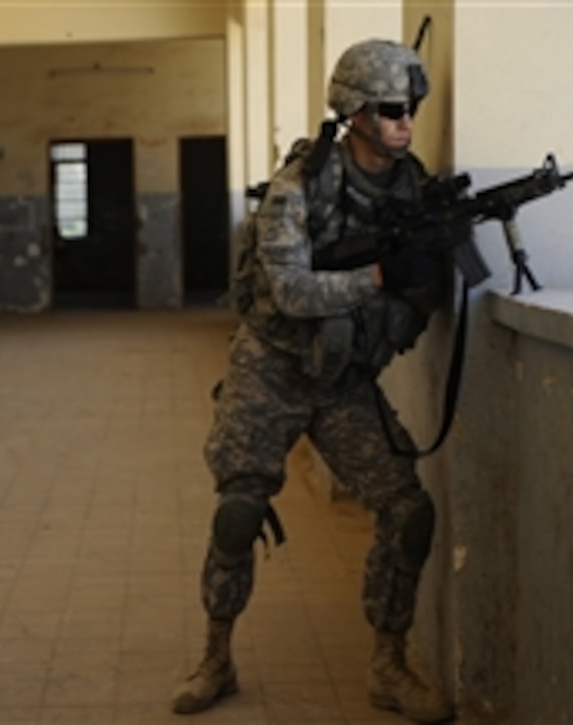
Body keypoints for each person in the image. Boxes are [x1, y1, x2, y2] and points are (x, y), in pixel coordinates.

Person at [171, 39, 454, 723]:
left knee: (409, 512)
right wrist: (382, 276)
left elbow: (422, 293)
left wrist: (413, 284)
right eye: (391, 109)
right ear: (354, 112)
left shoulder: (411, 187)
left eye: (412, 108)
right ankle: (216, 656)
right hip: (270, 365)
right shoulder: (297, 188)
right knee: (238, 512)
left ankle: (388, 663)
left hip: (342, 379)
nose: (405, 122)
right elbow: (293, 293)